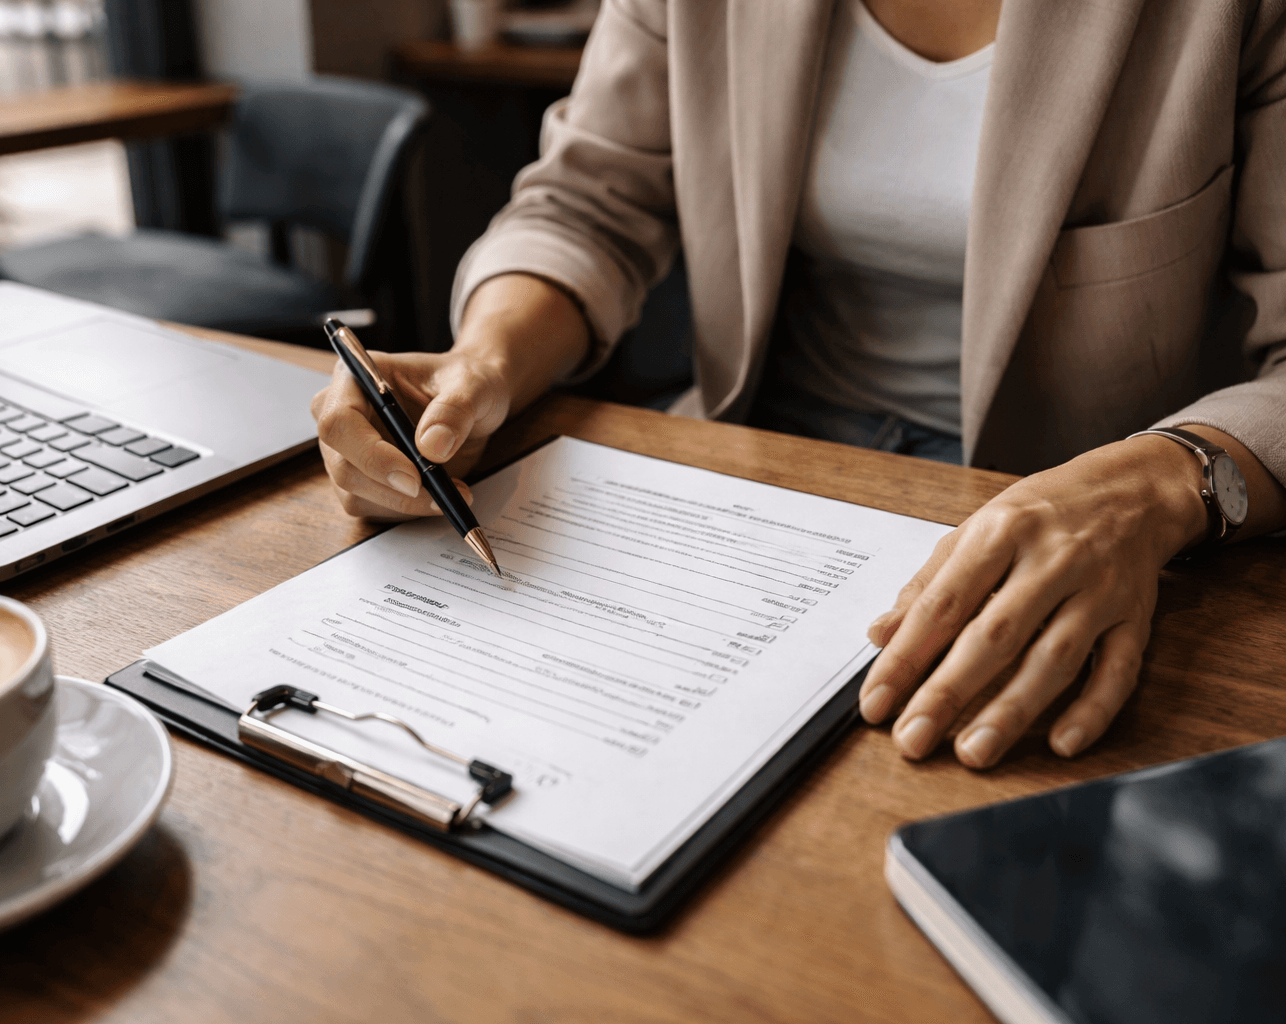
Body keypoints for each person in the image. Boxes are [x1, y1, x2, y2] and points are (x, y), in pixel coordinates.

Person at [311, 0, 1286, 769]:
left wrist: (1163, 486)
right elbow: (586, 202)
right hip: (760, 487)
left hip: (1080, 536)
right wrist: (484, 361)